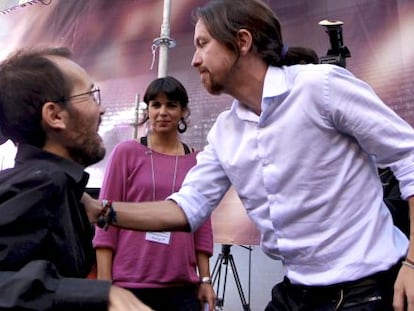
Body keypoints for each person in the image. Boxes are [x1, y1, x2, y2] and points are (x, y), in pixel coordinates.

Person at [81, 0, 414, 310]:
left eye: (202, 44)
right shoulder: (225, 132)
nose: (194, 60)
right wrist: (100, 211)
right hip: (295, 292)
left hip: (367, 290)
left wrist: (413, 264)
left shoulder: (320, 87)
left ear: (241, 41)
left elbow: (409, 155)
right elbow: (186, 208)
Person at [0, 47, 152, 311]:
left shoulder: (59, 188)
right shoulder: (41, 186)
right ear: (55, 115)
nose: (101, 109)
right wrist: (101, 295)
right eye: (91, 94)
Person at [93, 76, 215, 311]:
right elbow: (104, 218)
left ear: (183, 112)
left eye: (171, 105)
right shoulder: (126, 152)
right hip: (129, 285)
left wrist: (205, 280)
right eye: (156, 105)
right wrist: (104, 285)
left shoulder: (197, 161)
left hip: (182, 287)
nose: (163, 112)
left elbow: (202, 227)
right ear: (147, 110)